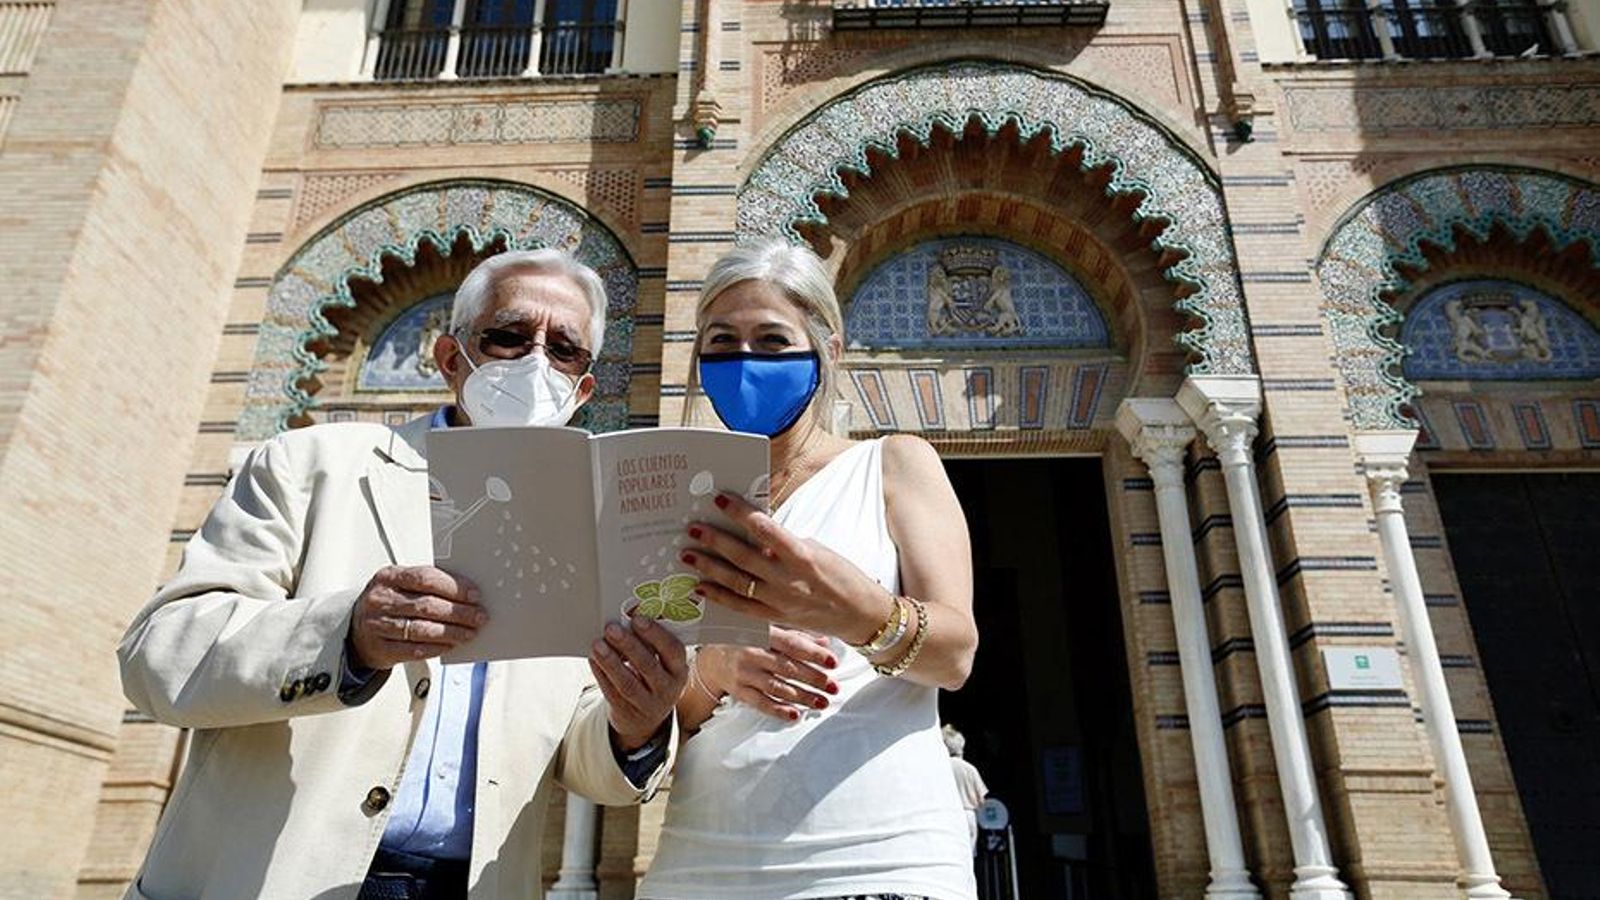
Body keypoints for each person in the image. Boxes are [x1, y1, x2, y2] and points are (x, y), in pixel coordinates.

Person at [118, 249, 688, 900]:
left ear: (583, 390)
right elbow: (157, 657)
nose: (535, 362)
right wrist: (346, 635)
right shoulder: (312, 467)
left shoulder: (591, 524)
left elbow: (580, 759)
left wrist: (636, 724)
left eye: (563, 349)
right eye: (508, 336)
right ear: (452, 358)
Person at [636, 240, 980, 900]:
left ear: (828, 349)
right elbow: (666, 711)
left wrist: (858, 612)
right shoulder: (675, 494)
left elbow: (955, 655)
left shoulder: (892, 466)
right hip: (703, 857)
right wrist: (716, 668)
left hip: (877, 856)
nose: (745, 361)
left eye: (772, 340)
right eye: (722, 341)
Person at [942, 724, 991, 853]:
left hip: (947, 814)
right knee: (968, 858)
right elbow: (982, 800)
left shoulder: (941, 768)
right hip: (968, 814)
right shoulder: (970, 769)